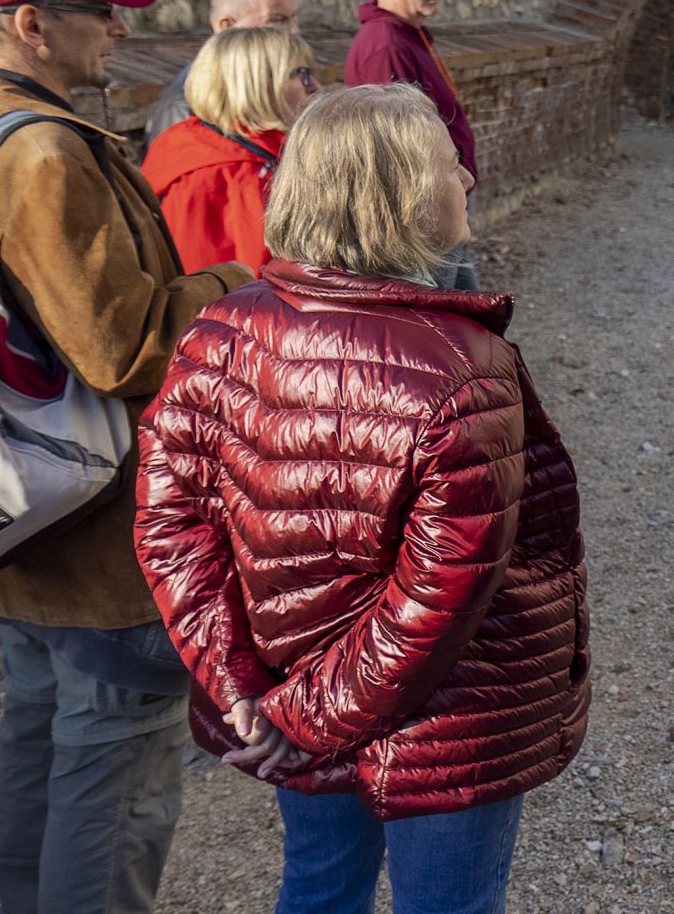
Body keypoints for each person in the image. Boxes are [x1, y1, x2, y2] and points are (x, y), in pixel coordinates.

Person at [134, 83, 591, 914]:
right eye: (452, 165)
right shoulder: (461, 371)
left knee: (318, 886)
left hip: (287, 687)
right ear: (403, 198)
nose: (470, 179)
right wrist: (288, 715)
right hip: (445, 719)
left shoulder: (216, 334)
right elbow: (439, 601)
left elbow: (173, 530)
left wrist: (248, 693)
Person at [0, 0, 252, 914]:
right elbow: (121, 344)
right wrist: (237, 283)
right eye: (94, 13)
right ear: (31, 23)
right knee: (114, 790)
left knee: (31, 759)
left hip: (28, 517)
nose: (113, 31)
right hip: (100, 534)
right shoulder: (42, 153)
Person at [346, 0, 481, 291]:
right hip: (423, 216)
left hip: (443, 204)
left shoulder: (409, 35)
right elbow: (395, 145)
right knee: (445, 320)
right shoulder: (385, 45)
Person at [142, 27, 321, 272]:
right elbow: (245, 283)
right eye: (302, 74)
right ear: (256, 83)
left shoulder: (233, 151)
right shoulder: (229, 174)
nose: (315, 86)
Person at [142, 0, 301, 149]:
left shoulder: (279, 82)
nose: (294, 31)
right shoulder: (184, 104)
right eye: (277, 20)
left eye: (293, 17)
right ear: (227, 26)